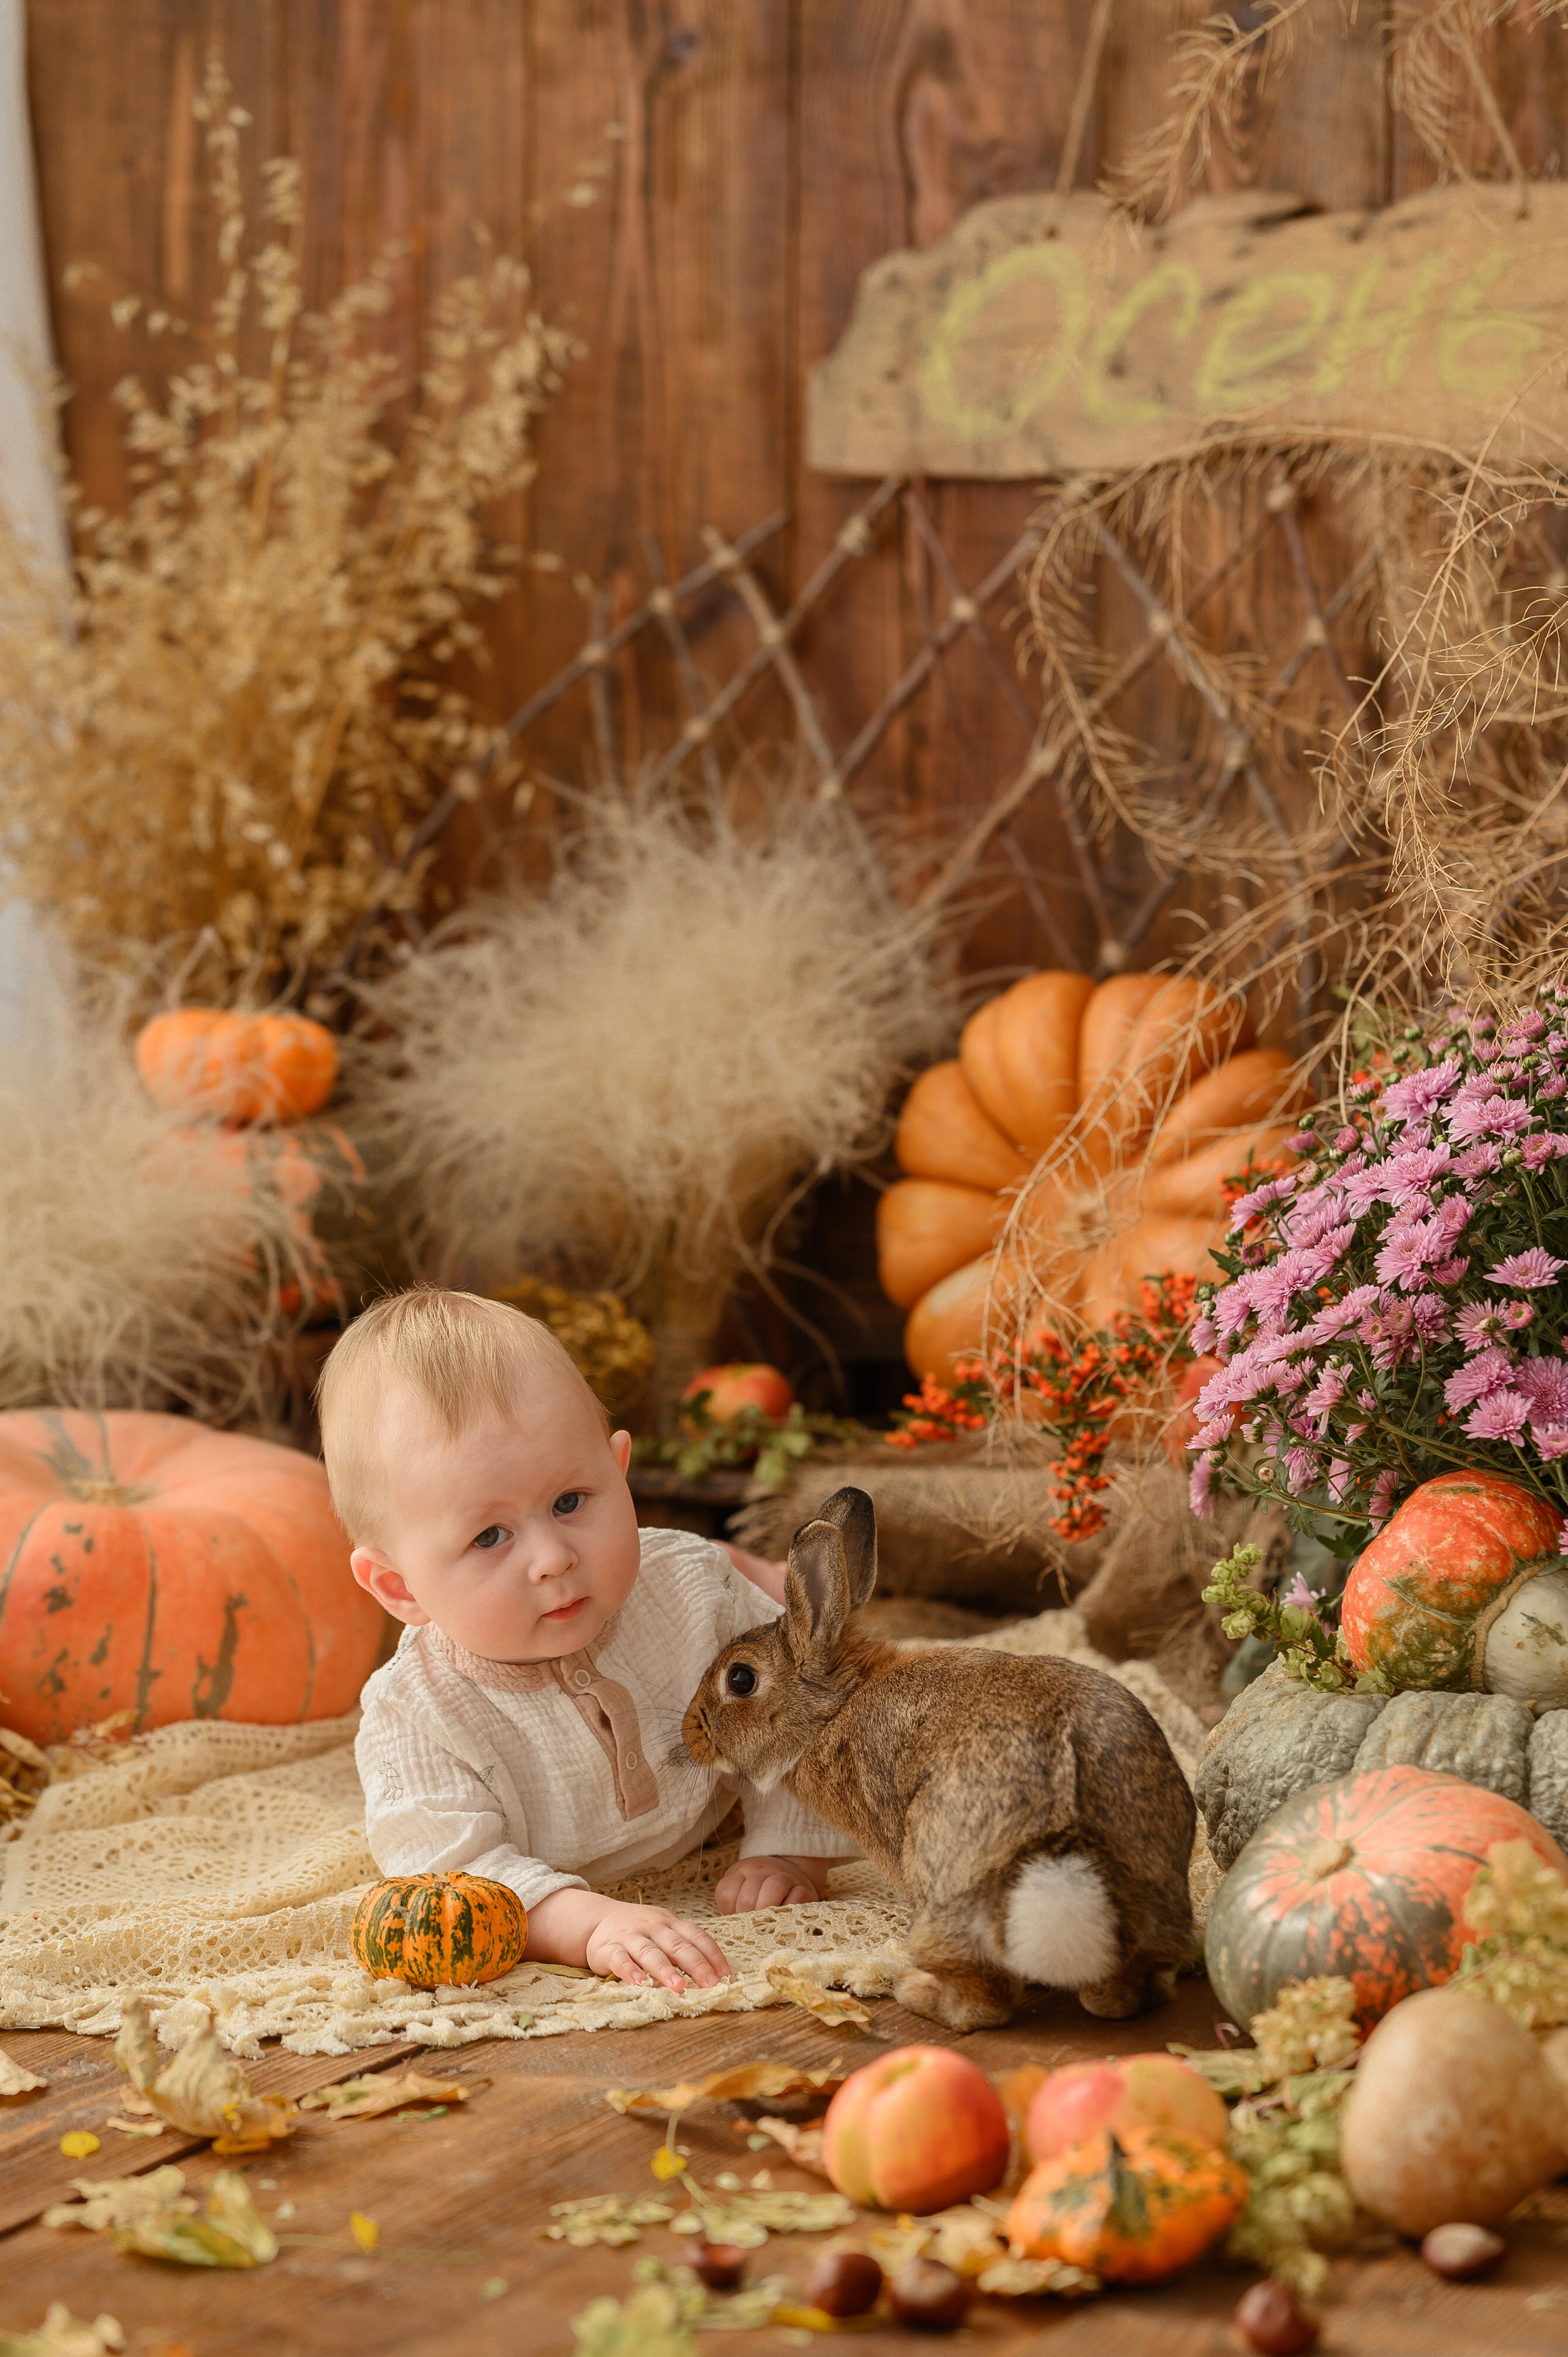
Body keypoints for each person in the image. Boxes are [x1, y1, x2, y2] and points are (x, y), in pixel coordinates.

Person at [319, 1286, 856, 1994]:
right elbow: (455, 1875)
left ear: (619, 1469)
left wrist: (790, 1853)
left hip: (718, 1811)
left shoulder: (691, 1591)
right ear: (400, 1589)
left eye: (570, 1501)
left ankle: (760, 1569)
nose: (552, 1557)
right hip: (561, 1880)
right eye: (489, 1536)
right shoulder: (414, 1713)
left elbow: (800, 1708)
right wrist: (588, 1922)